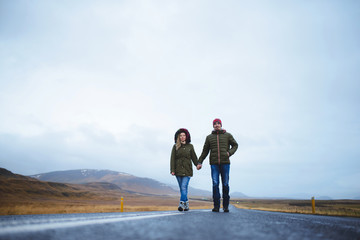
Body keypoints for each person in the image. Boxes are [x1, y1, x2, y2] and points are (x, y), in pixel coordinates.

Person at [197, 118, 238, 212]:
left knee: (225, 184)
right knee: (215, 184)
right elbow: (205, 151)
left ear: (221, 124)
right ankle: (216, 206)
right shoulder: (209, 137)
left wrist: (229, 153)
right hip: (214, 164)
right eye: (215, 124)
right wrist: (200, 162)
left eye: (218, 123)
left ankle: (225, 206)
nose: (217, 125)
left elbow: (235, 145)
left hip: (225, 163)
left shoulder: (228, 135)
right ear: (213, 126)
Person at [170, 128, 201, 211]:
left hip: (187, 171)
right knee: (182, 189)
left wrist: (198, 164)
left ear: (187, 136)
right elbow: (172, 159)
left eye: (184, 135)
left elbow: (194, 157)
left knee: (184, 187)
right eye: (181, 136)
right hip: (177, 170)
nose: (182, 137)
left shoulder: (190, 146)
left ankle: (181, 205)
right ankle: (186, 205)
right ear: (178, 137)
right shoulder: (175, 146)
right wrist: (172, 170)